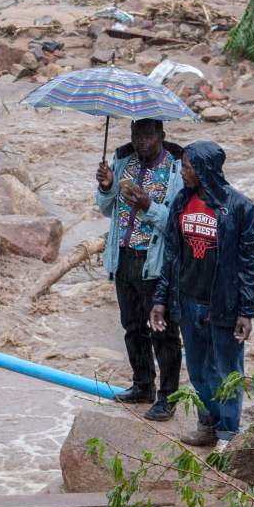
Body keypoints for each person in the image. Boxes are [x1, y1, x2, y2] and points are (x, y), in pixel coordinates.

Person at [150, 140, 254, 448]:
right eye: (183, 165)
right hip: (187, 301)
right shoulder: (182, 203)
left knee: (227, 372)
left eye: (186, 166)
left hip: (223, 305)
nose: (182, 171)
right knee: (198, 370)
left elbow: (249, 264)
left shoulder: (240, 208)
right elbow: (172, 255)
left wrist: (247, 311)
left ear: (204, 169)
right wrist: (160, 299)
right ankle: (207, 425)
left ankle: (228, 434)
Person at [96, 118, 184, 421]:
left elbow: (176, 223)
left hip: (155, 261)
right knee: (132, 327)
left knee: (163, 332)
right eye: (136, 135)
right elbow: (107, 209)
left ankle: (168, 396)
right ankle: (142, 384)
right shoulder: (123, 162)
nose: (140, 141)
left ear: (161, 135)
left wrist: (148, 206)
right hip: (123, 256)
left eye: (147, 136)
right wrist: (106, 186)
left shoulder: (175, 169)